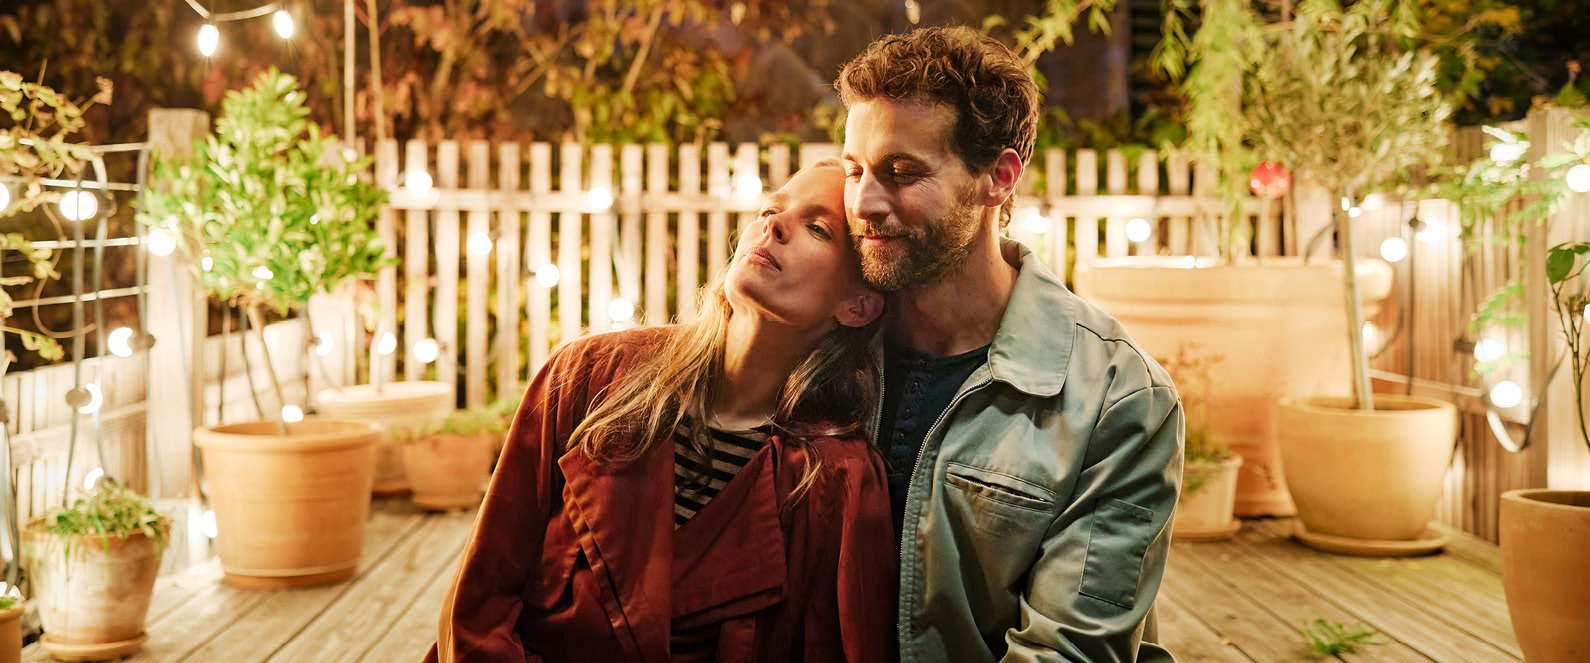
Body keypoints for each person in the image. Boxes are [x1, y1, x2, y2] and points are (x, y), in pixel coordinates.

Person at [425, 162, 898, 663]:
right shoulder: (590, 373)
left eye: (817, 228)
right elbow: (480, 597)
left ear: (858, 305)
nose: (773, 225)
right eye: (771, 208)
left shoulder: (835, 480)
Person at [836, 27, 1185, 662]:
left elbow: (1068, 651)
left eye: (902, 172)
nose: (863, 201)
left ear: (998, 176)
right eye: (854, 169)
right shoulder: (825, 343)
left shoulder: (1115, 396)